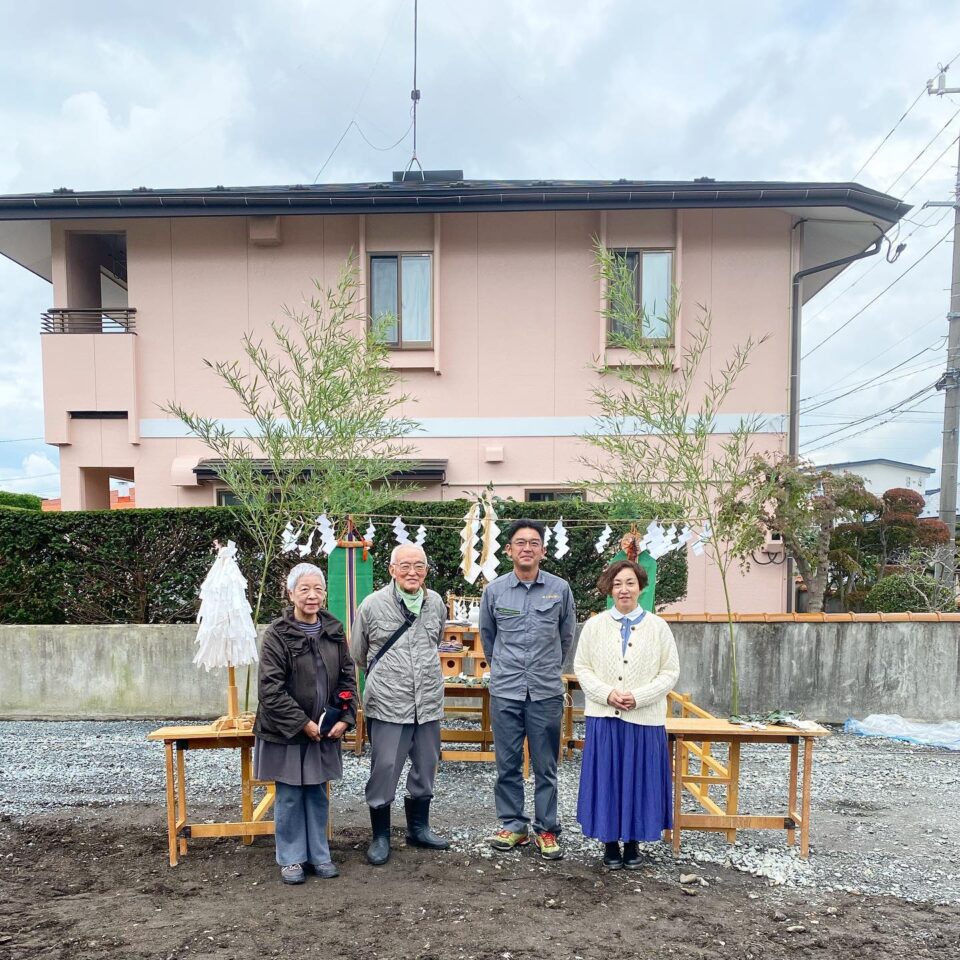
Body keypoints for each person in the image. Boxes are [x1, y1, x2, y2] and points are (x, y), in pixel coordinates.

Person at [253, 562, 357, 885]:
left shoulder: (334, 630)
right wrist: (302, 723)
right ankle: (291, 858)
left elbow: (347, 677)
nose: (312, 596)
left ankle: (319, 854)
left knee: (316, 792)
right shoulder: (277, 635)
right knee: (288, 794)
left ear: (325, 594)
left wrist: (346, 716)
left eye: (318, 590)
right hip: (285, 730)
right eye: (304, 589)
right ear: (291, 593)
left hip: (324, 729)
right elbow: (270, 689)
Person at [480, 518, 576, 860]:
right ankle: (513, 825)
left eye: (533, 543)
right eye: (520, 543)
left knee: (545, 765)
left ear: (543, 551)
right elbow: (489, 640)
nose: (526, 548)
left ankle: (547, 829)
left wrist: (550, 670)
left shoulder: (560, 589)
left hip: (545, 692)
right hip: (505, 691)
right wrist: (504, 670)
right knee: (506, 763)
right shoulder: (494, 591)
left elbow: (566, 637)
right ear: (509, 551)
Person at [574, 559, 679, 870]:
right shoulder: (594, 626)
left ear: (640, 587)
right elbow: (582, 668)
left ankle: (633, 842)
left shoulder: (659, 627)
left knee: (639, 779)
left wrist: (639, 696)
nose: (624, 589)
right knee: (607, 778)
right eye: (617, 583)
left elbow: (670, 672)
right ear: (609, 588)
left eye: (630, 583)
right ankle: (609, 841)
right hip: (604, 717)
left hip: (645, 719)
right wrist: (608, 694)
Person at [351, 543, 451, 865]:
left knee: (426, 765)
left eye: (419, 566)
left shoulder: (435, 603)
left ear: (426, 569)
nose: (412, 572)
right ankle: (380, 835)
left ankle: (418, 828)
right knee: (385, 768)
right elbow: (358, 653)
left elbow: (435, 641)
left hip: (428, 701)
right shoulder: (371, 605)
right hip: (388, 703)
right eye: (405, 566)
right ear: (392, 570)